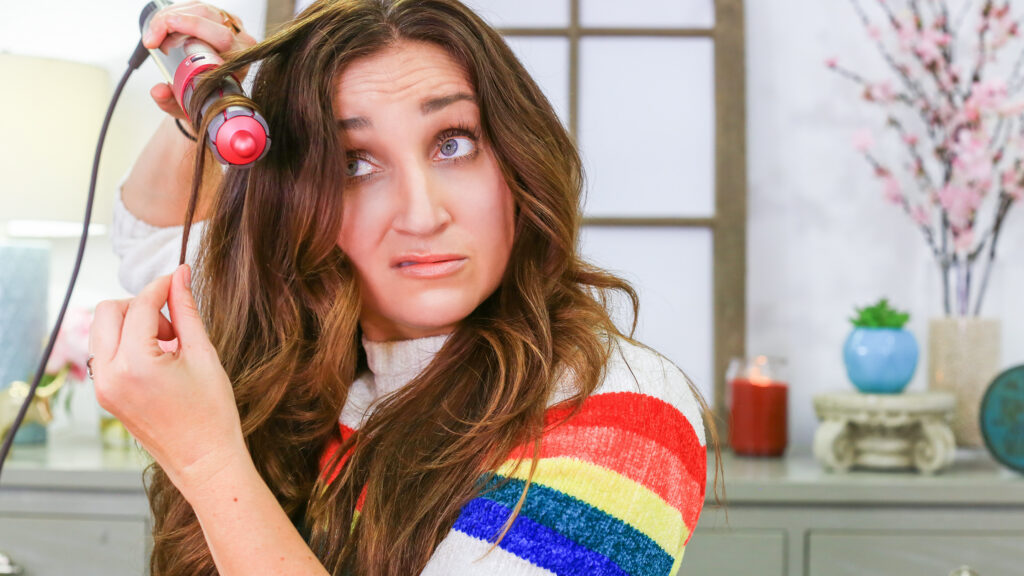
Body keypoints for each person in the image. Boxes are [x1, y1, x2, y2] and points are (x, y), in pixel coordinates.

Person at [91, 1, 724, 574]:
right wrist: (208, 109)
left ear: (516, 161)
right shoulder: (318, 360)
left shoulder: (621, 411)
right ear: (297, 204)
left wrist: (208, 463)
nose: (422, 215)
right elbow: (151, 234)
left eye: (453, 144)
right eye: (352, 163)